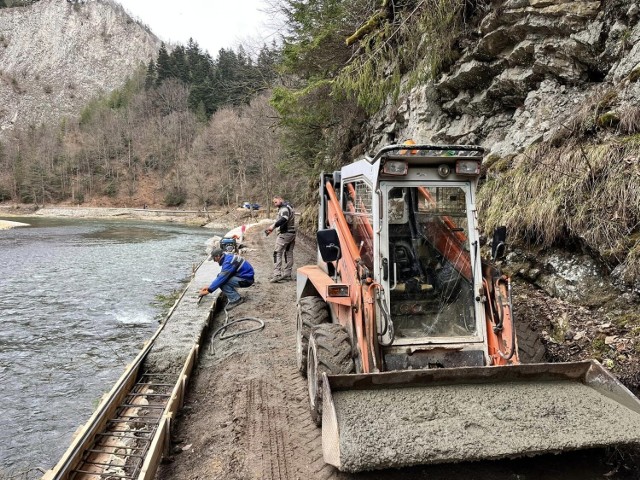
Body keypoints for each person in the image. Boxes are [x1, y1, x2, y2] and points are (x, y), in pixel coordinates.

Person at [265, 196, 296, 282]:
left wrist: (273, 226)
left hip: (285, 234)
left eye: (276, 202)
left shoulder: (284, 208)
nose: (275, 204)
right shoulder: (289, 206)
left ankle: (277, 274)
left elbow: (284, 218)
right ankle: (287, 274)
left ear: (280, 199)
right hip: (292, 233)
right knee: (288, 253)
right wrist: (273, 229)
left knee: (277, 253)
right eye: (274, 203)